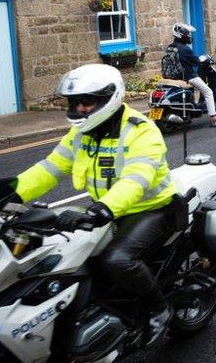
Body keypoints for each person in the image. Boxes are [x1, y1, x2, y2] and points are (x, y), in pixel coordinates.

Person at [14, 64, 181, 343]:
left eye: (86, 102)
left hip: (150, 209)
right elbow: (50, 168)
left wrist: (103, 209)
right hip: (103, 210)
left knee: (116, 260)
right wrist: (8, 193)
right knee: (59, 258)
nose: (79, 109)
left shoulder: (141, 131)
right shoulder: (80, 134)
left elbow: (135, 180)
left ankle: (159, 309)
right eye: (74, 103)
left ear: (109, 98)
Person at [167, 23, 216, 127]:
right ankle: (214, 119)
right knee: (208, 92)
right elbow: (196, 61)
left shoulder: (170, 47)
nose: (188, 35)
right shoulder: (185, 49)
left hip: (174, 76)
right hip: (188, 77)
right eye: (187, 33)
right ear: (180, 35)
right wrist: (204, 59)